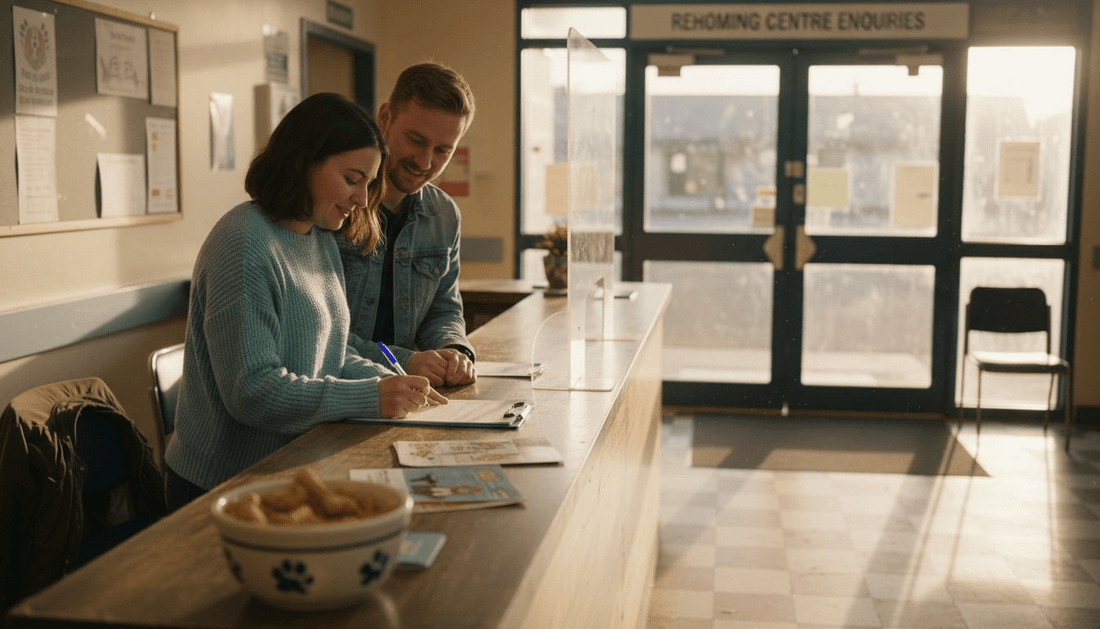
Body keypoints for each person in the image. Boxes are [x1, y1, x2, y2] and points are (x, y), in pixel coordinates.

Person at [164, 93, 445, 510]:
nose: (362, 199)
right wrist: (373, 395)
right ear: (302, 163)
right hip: (221, 487)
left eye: (369, 183)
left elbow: (333, 353)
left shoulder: (317, 238)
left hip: (287, 469)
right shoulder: (243, 243)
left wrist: (391, 380)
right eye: (352, 179)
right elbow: (252, 391)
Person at [338, 63, 477, 389]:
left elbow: (443, 308)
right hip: (337, 394)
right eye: (416, 140)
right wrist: (402, 360)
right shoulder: (336, 206)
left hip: (400, 396)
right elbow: (321, 335)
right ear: (385, 118)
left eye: (443, 150)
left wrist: (453, 349)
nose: (426, 162)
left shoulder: (444, 215)